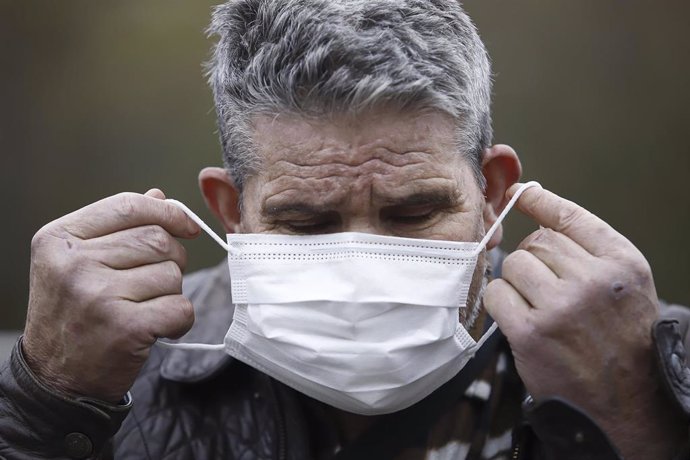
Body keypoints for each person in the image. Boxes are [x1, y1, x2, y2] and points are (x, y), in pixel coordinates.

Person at [1, 1, 688, 459]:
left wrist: (638, 416)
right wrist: (48, 403)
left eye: (414, 213)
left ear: (493, 193)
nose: (363, 265)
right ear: (231, 211)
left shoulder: (642, 373)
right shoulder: (97, 370)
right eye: (306, 221)